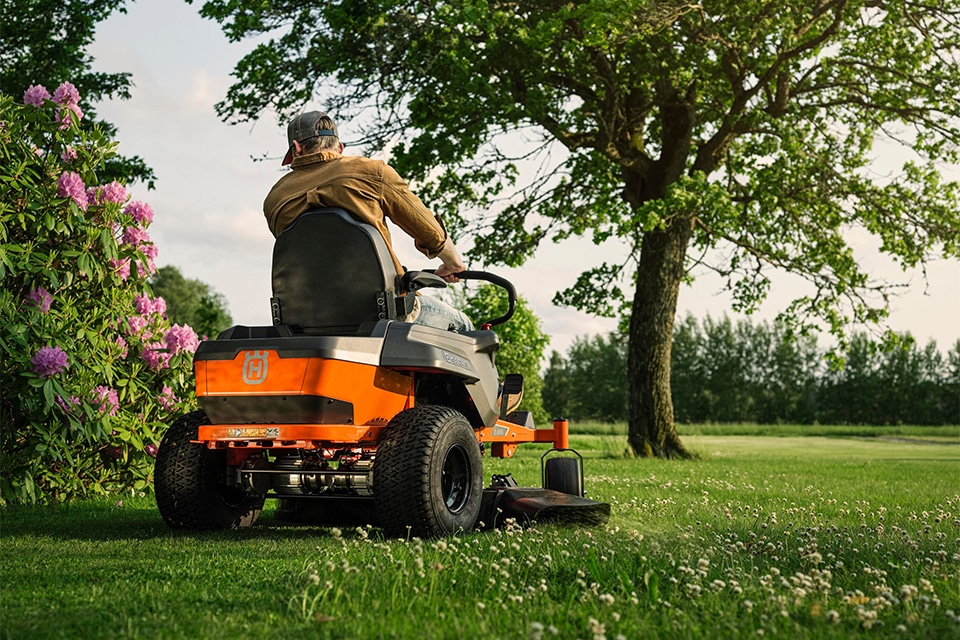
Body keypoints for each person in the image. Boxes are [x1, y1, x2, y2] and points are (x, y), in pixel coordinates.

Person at [263, 111, 474, 332]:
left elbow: (314, 256)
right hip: (385, 314)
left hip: (307, 322)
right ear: (340, 148)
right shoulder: (371, 172)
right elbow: (430, 231)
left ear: (296, 149)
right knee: (465, 327)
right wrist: (453, 264)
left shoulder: (275, 199)